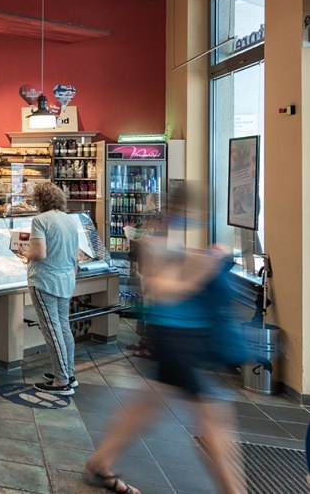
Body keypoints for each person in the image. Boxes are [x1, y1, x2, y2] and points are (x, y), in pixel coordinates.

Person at [84, 189, 246, 494]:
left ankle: (101, 462)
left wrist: (210, 257)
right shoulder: (155, 244)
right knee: (213, 415)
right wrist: (202, 270)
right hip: (174, 339)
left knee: (149, 405)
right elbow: (163, 288)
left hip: (182, 337)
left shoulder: (172, 243)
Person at [16, 181, 81, 396]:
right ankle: (68, 373)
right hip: (66, 279)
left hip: (45, 280)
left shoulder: (40, 220)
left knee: (51, 330)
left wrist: (23, 253)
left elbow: (39, 254)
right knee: (63, 326)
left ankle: (61, 382)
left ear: (39, 200)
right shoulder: (70, 220)